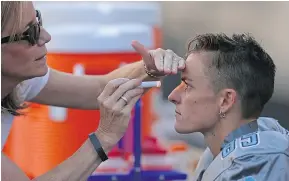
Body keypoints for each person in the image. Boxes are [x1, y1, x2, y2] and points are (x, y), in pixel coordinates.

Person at [1, 1, 185, 181]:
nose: (46, 36)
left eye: (38, 22)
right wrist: (104, 137)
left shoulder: (22, 82)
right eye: (30, 33)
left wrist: (149, 70)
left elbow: (99, 88)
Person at [168, 33, 289, 180]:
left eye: (187, 85)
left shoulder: (253, 166)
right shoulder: (226, 153)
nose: (172, 96)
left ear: (225, 101)